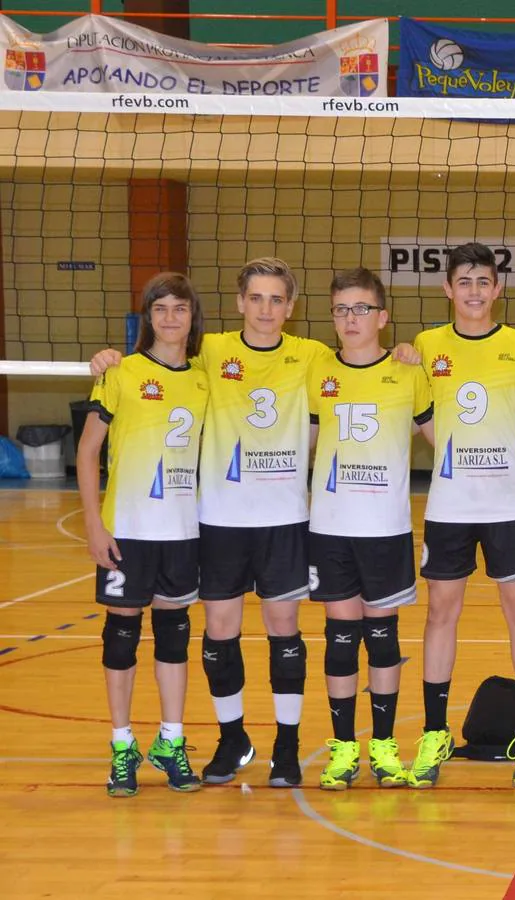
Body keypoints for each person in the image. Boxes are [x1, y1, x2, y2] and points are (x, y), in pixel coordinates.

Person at [91, 257, 332, 787]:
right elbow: (156, 364)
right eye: (256, 298)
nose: (266, 309)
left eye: (277, 299)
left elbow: (366, 365)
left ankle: (287, 748)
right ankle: (232, 740)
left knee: (283, 629)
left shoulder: (312, 355)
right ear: (240, 302)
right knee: (219, 632)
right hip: (219, 520)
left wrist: (406, 354)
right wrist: (110, 358)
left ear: (291, 307)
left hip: (285, 519)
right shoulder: (209, 353)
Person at [408, 242, 515, 789]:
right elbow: (421, 412)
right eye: (462, 282)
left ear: (497, 289)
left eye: (482, 282)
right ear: (448, 289)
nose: (472, 291)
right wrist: (447, 451)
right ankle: (436, 731)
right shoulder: (425, 346)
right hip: (449, 503)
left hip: (510, 502)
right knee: (441, 612)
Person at [78, 272, 208, 796]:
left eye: (180, 309)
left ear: (192, 317)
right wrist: (93, 522)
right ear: (147, 318)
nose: (171, 318)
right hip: (127, 529)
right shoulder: (121, 373)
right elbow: (88, 451)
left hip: (181, 530)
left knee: (175, 637)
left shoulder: (205, 377)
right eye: (161, 309)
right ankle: (122, 746)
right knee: (122, 636)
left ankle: (171, 742)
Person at [307, 269, 434, 790]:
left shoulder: (409, 371)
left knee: (382, 638)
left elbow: (444, 435)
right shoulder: (315, 370)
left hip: (385, 526)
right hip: (330, 526)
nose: (351, 319)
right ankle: (342, 749)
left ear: (383, 317)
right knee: (340, 639)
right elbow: (305, 441)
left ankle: (382, 746)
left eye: (362, 309)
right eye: (341, 309)